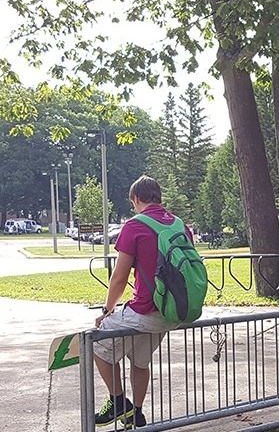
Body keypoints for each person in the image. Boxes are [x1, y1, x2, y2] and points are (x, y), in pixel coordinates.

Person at [91, 176, 197, 428]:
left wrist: (107, 310)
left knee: (96, 345)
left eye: (133, 203)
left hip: (146, 310)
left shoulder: (135, 225)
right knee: (140, 362)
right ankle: (136, 414)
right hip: (172, 311)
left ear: (136, 199)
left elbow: (119, 277)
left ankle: (118, 402)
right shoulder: (181, 225)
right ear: (158, 197)